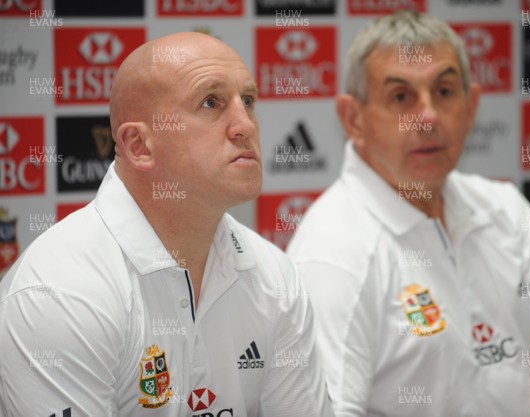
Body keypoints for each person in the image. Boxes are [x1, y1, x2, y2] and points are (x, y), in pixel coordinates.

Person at [0, 32, 333, 417]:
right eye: (211, 102)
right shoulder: (59, 292)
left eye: (248, 101)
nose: (246, 125)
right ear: (140, 146)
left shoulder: (275, 277)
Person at [287, 10, 530, 417]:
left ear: (471, 107)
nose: (428, 116)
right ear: (353, 118)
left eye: (445, 91)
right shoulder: (332, 251)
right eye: (401, 97)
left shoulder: (505, 207)